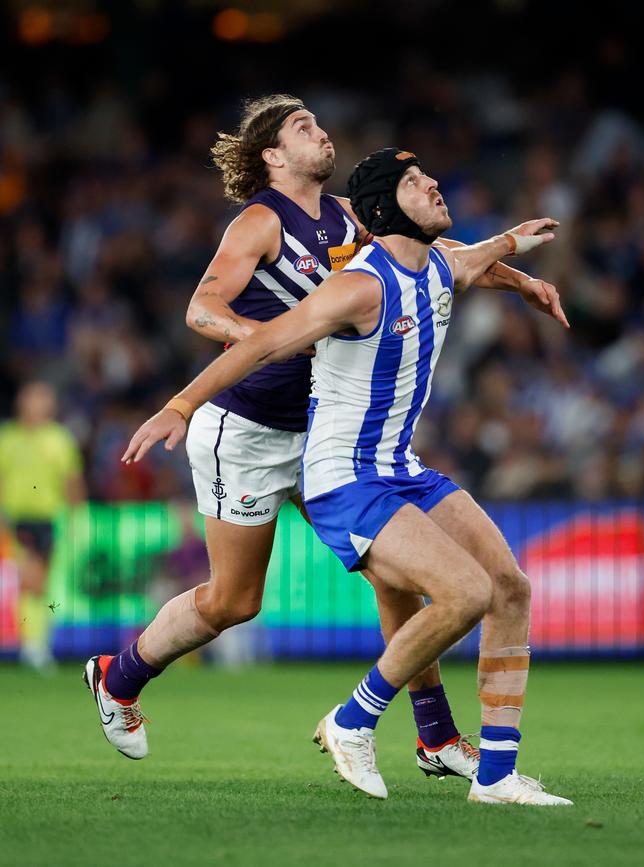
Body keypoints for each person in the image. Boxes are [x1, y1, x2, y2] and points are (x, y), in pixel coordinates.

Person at [85, 95, 565, 783]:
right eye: (302, 128)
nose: (321, 132)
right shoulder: (260, 221)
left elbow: (436, 258)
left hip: (322, 434)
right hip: (245, 431)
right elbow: (201, 308)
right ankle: (118, 676)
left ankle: (435, 735)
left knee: (394, 571)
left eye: (318, 121)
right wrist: (275, 338)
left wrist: (518, 278)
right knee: (234, 601)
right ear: (275, 157)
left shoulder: (347, 216)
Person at [0, 381, 85, 669]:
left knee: (40, 583)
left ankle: (35, 642)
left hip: (48, 519)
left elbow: (72, 481)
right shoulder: (8, 438)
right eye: (34, 399)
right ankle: (33, 645)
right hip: (18, 518)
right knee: (31, 578)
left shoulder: (59, 439)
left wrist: (76, 517)